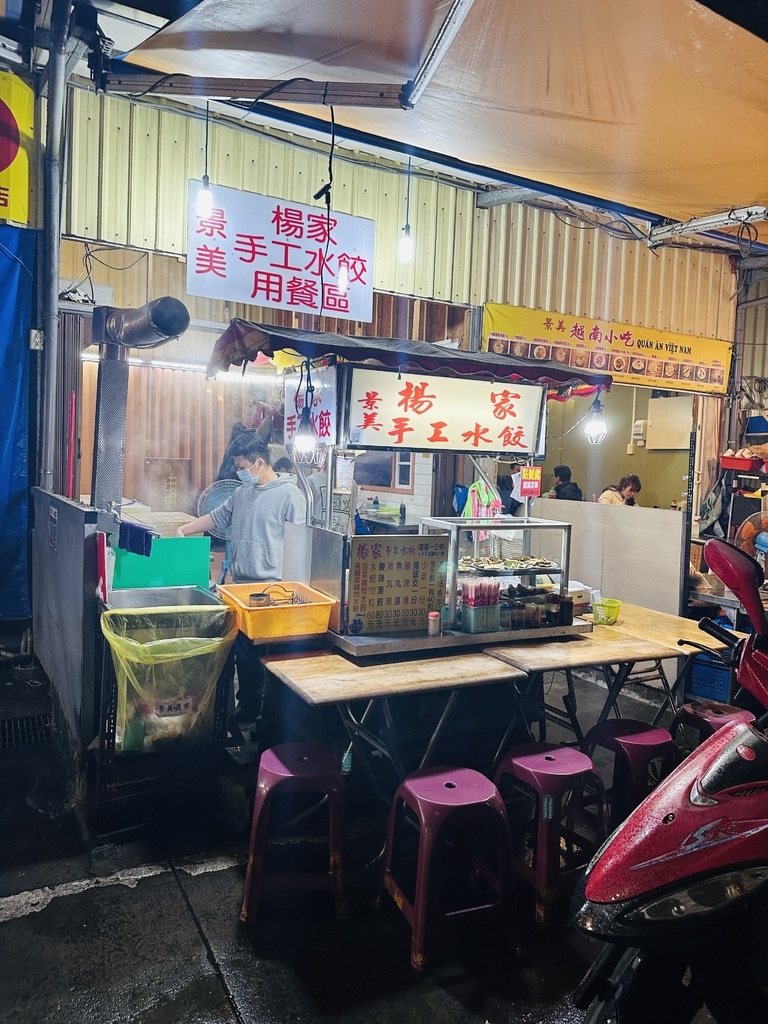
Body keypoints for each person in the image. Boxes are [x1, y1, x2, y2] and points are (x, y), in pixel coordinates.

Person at [176, 435, 307, 723]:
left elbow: (301, 544)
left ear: (260, 463)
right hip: (241, 586)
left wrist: (293, 589)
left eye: (242, 465)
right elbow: (216, 517)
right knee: (244, 652)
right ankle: (248, 707)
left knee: (271, 657)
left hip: (274, 588)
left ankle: (272, 716)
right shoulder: (241, 494)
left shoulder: (290, 496)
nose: (239, 471)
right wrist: (185, 529)